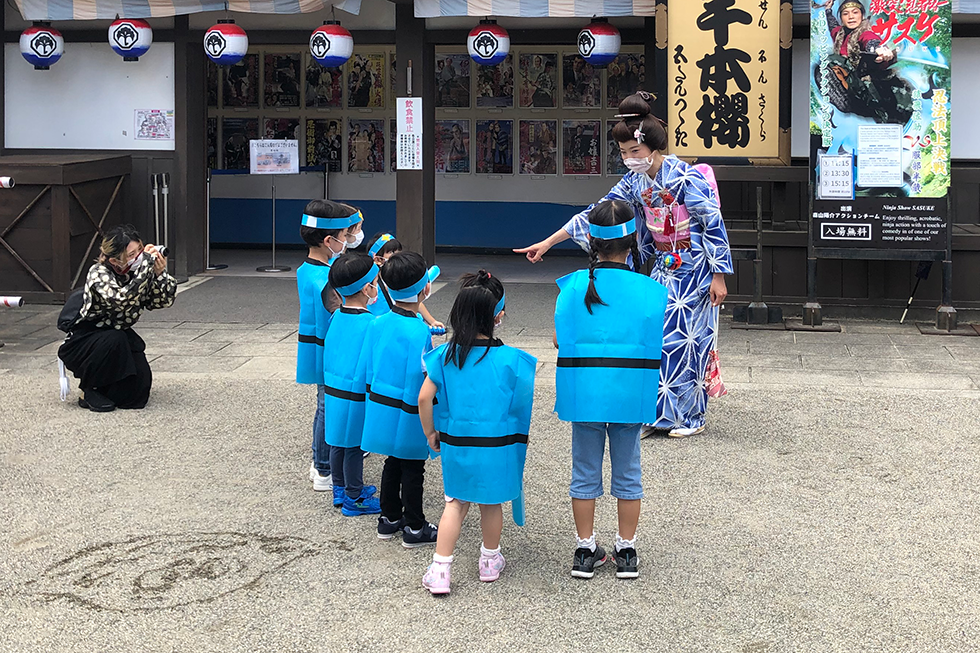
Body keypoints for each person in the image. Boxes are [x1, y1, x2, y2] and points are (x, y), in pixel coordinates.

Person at [515, 91, 733, 439]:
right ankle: (655, 414)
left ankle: (690, 416)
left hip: (694, 269)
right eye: (623, 152)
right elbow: (597, 213)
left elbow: (712, 223)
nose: (629, 158)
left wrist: (718, 275)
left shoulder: (686, 177)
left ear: (654, 146)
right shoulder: (634, 182)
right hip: (663, 268)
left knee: (687, 341)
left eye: (635, 151)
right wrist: (549, 242)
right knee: (654, 337)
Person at [553, 200, 668, 580]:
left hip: (584, 390)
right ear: (633, 242)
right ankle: (627, 549)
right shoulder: (651, 291)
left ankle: (585, 549)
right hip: (630, 391)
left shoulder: (572, 287)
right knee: (629, 470)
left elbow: (559, 339)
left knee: (584, 471)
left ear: (592, 243)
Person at [418, 271, 536, 595]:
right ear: (497, 316)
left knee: (455, 504)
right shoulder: (512, 360)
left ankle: (440, 570)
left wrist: (430, 433)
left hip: (457, 442)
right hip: (497, 445)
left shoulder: (444, 356)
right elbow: (519, 407)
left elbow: (424, 398)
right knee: (491, 503)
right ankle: (489, 560)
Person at [359, 252, 439, 548]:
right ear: (425, 289)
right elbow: (423, 373)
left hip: (381, 403)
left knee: (392, 461)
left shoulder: (378, 322)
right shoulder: (419, 330)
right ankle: (415, 526)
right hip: (409, 408)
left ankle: (389, 517)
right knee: (413, 467)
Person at [58, 224, 175, 412]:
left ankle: (107, 388)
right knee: (115, 338)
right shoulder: (98, 273)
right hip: (86, 339)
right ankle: (89, 388)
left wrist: (160, 274)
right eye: (131, 255)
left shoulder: (136, 273)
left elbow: (162, 302)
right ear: (114, 260)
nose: (138, 257)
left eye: (139, 250)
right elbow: (122, 301)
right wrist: (146, 266)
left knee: (137, 396)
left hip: (118, 336)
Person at [296, 200, 357, 492]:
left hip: (316, 347)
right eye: (344, 236)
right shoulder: (325, 279)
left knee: (323, 405)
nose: (347, 240)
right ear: (328, 240)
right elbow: (341, 316)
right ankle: (324, 468)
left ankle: (319, 462)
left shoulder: (308, 268)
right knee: (327, 407)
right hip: (329, 351)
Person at [323, 252, 382, 517]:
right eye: (376, 283)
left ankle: (340, 487)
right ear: (367, 288)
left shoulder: (336, 316)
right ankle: (354, 497)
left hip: (334, 389)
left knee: (337, 440)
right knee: (354, 446)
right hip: (356, 395)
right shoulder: (371, 323)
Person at [816, 0, 911, 125]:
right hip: (855, 86)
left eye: (855, 12)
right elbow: (832, 25)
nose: (851, 17)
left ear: (862, 15)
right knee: (830, 61)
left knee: (834, 60)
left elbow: (870, 40)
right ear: (842, 18)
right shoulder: (839, 34)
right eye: (845, 14)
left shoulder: (865, 33)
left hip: (874, 88)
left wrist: (879, 50)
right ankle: (848, 97)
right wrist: (828, 10)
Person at [365, 233, 444, 331]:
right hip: (383, 329)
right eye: (391, 252)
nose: (397, 255)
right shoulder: (372, 286)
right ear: (377, 259)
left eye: (399, 251)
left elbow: (414, 301)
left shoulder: (400, 277)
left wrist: (432, 321)